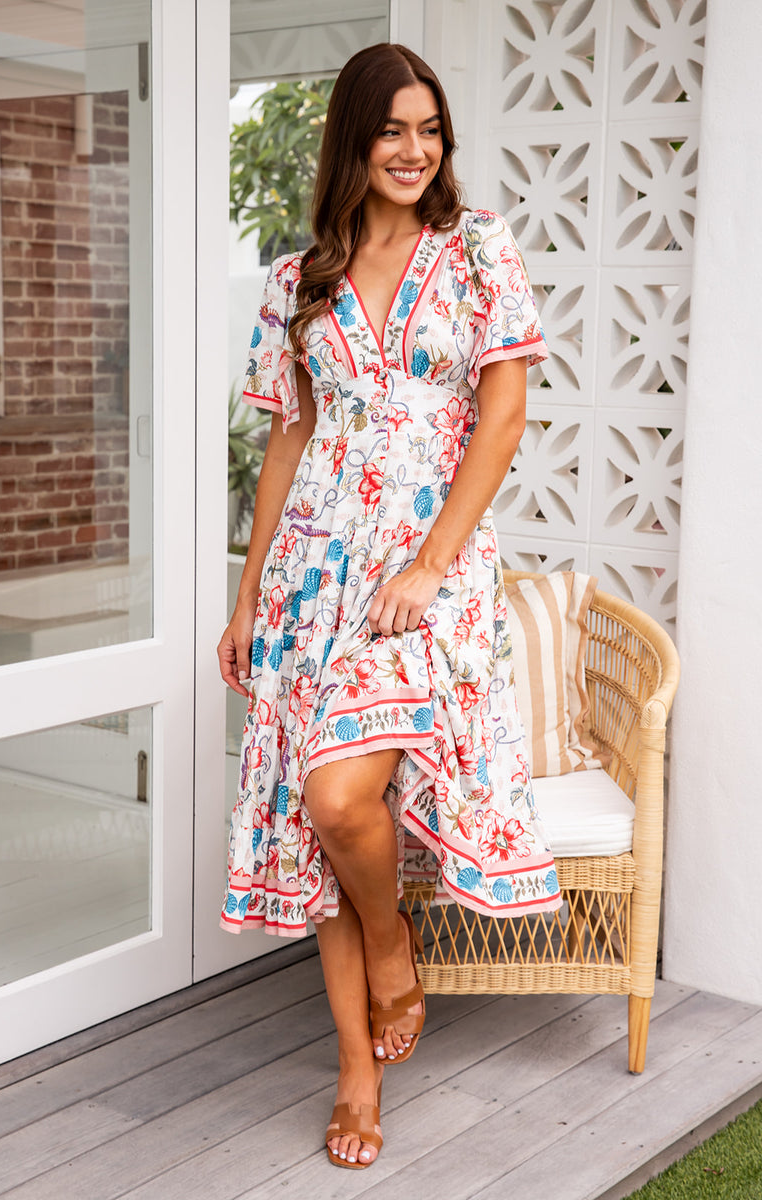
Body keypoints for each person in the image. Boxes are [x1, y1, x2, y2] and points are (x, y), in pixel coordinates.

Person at [217, 42, 561, 1170]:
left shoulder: (477, 249)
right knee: (315, 817)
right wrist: (247, 595)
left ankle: (391, 937)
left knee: (338, 791)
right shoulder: (297, 280)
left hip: (427, 573)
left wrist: (427, 566)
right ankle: (357, 1075)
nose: (414, 151)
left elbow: (502, 419)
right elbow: (288, 443)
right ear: (352, 141)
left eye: (430, 130)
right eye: (392, 130)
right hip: (311, 577)